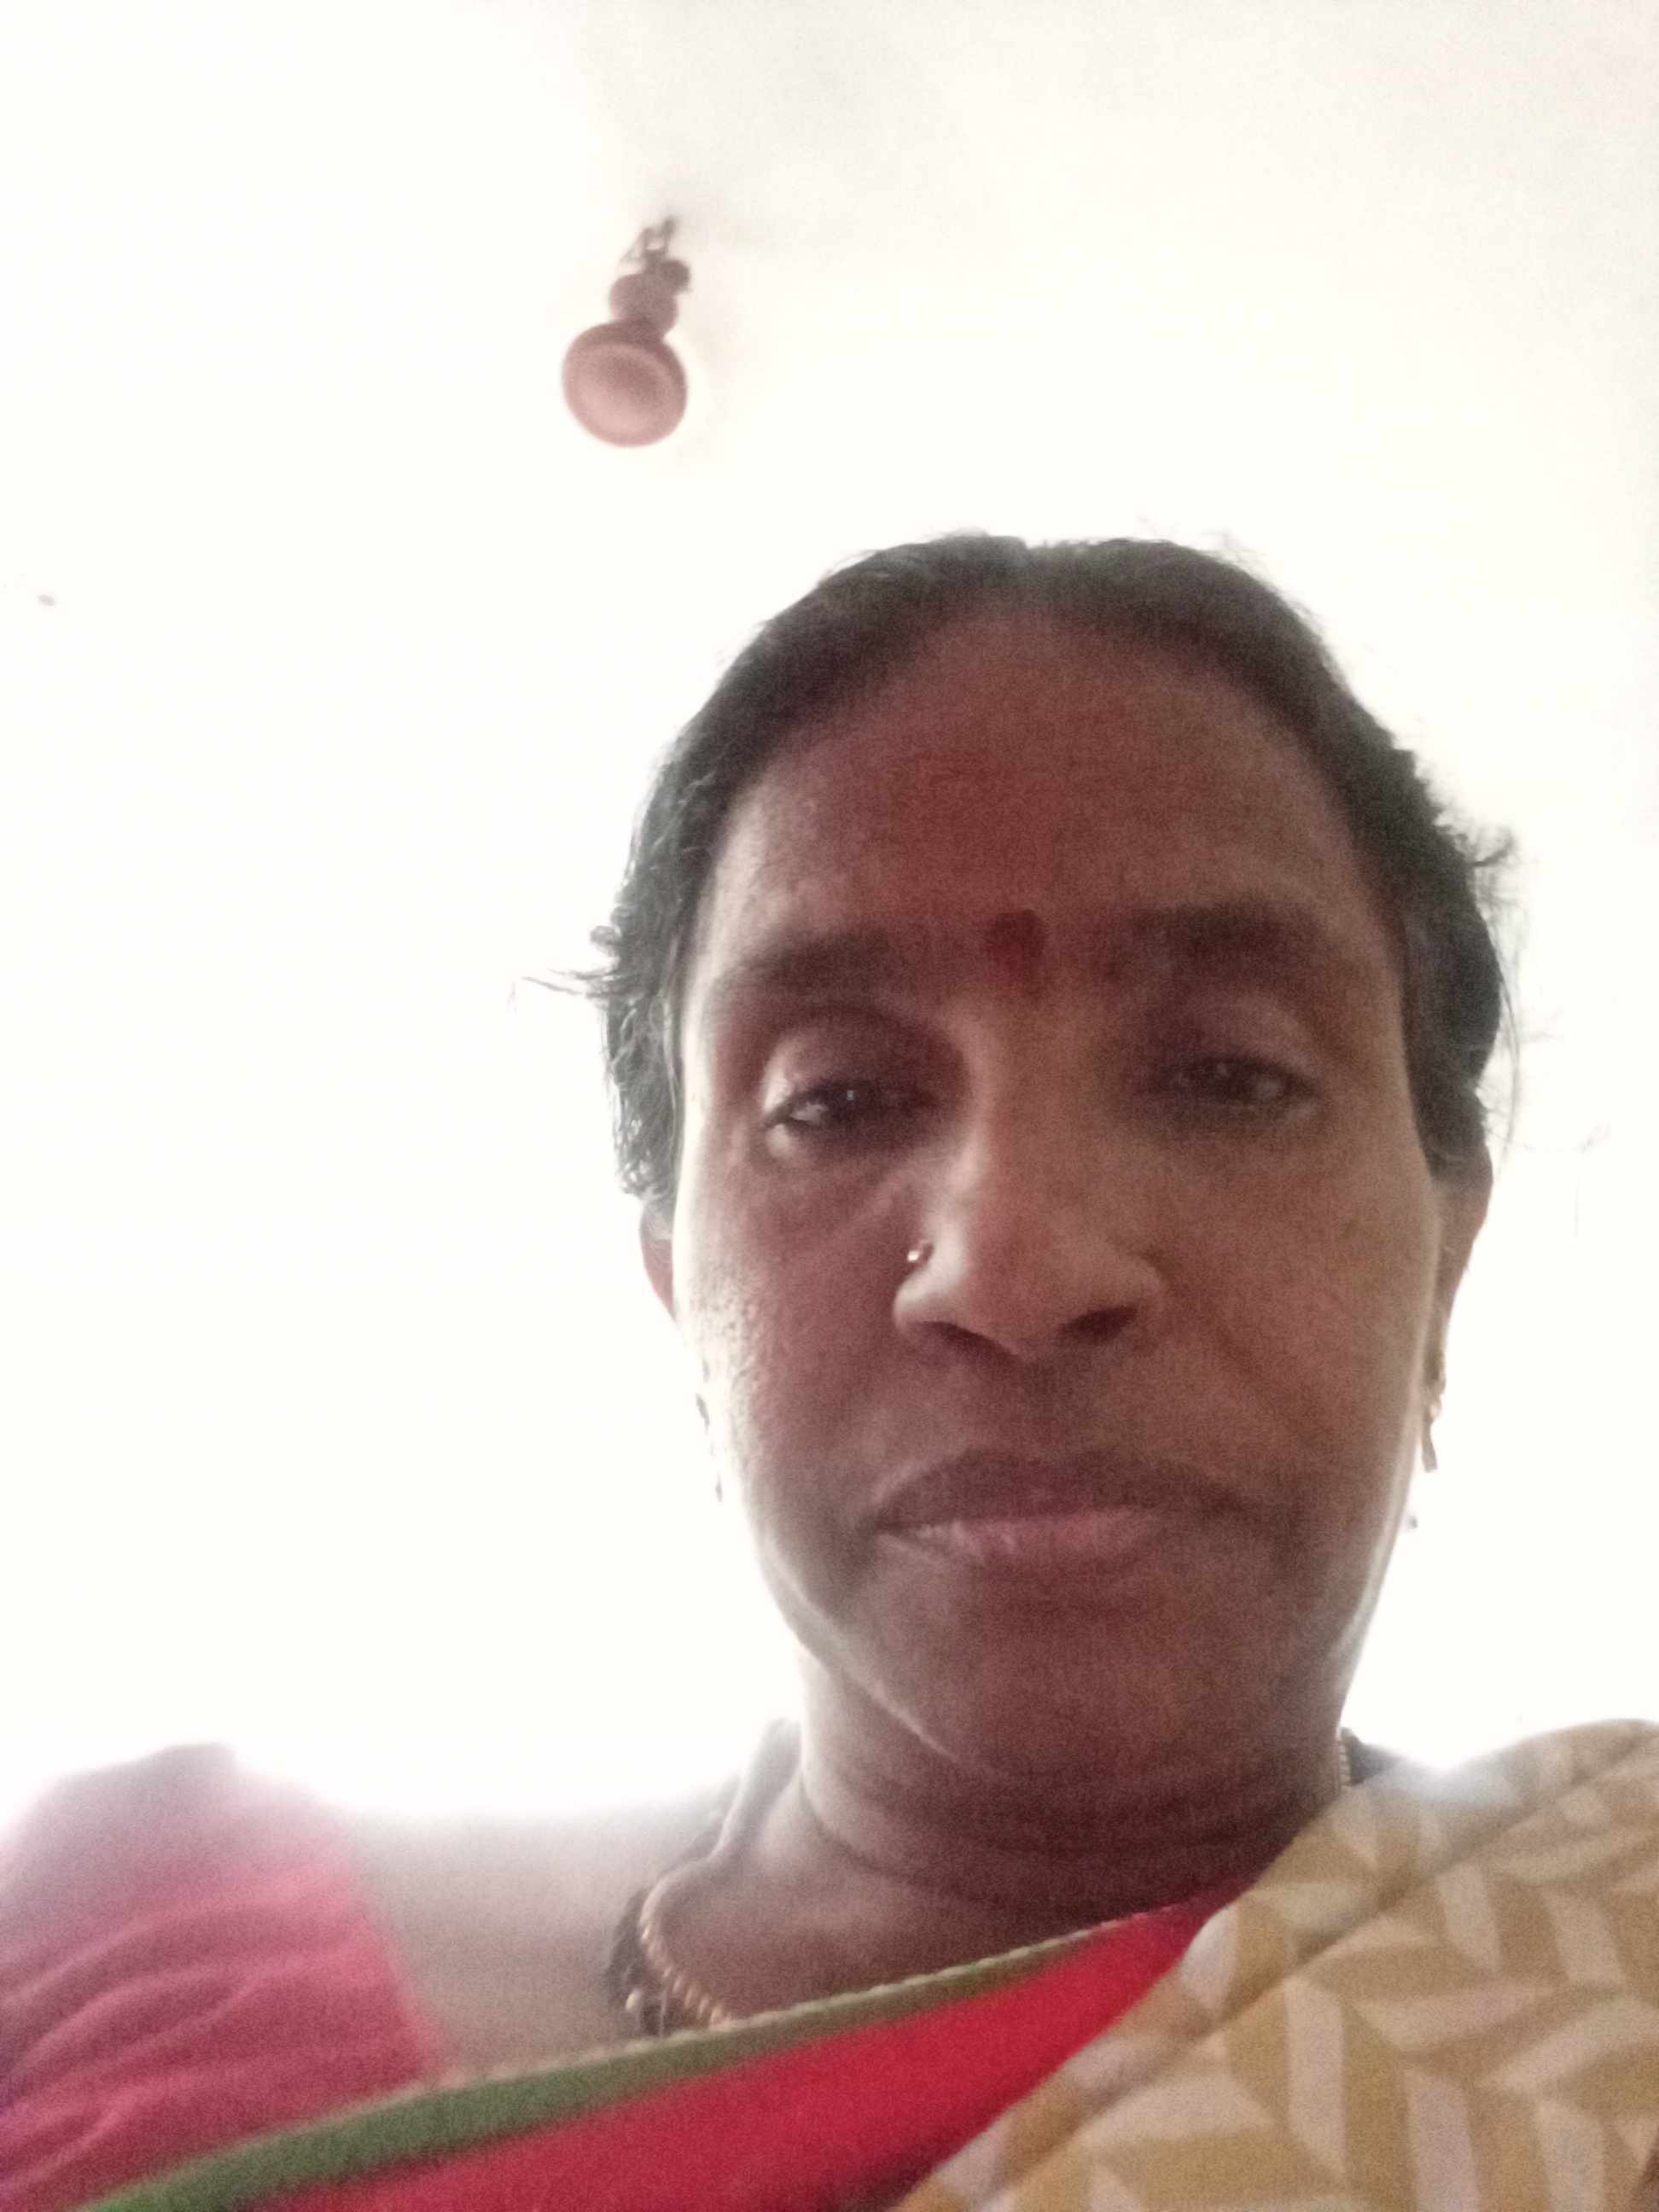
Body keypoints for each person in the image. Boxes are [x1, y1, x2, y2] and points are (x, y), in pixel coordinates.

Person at [4, 534, 1656, 2212]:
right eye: (840, 1100)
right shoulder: (119, 1929)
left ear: (1447, 1257)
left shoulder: (1619, 1975)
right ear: (679, 1289)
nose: (1018, 1270)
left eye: (1229, 1076)